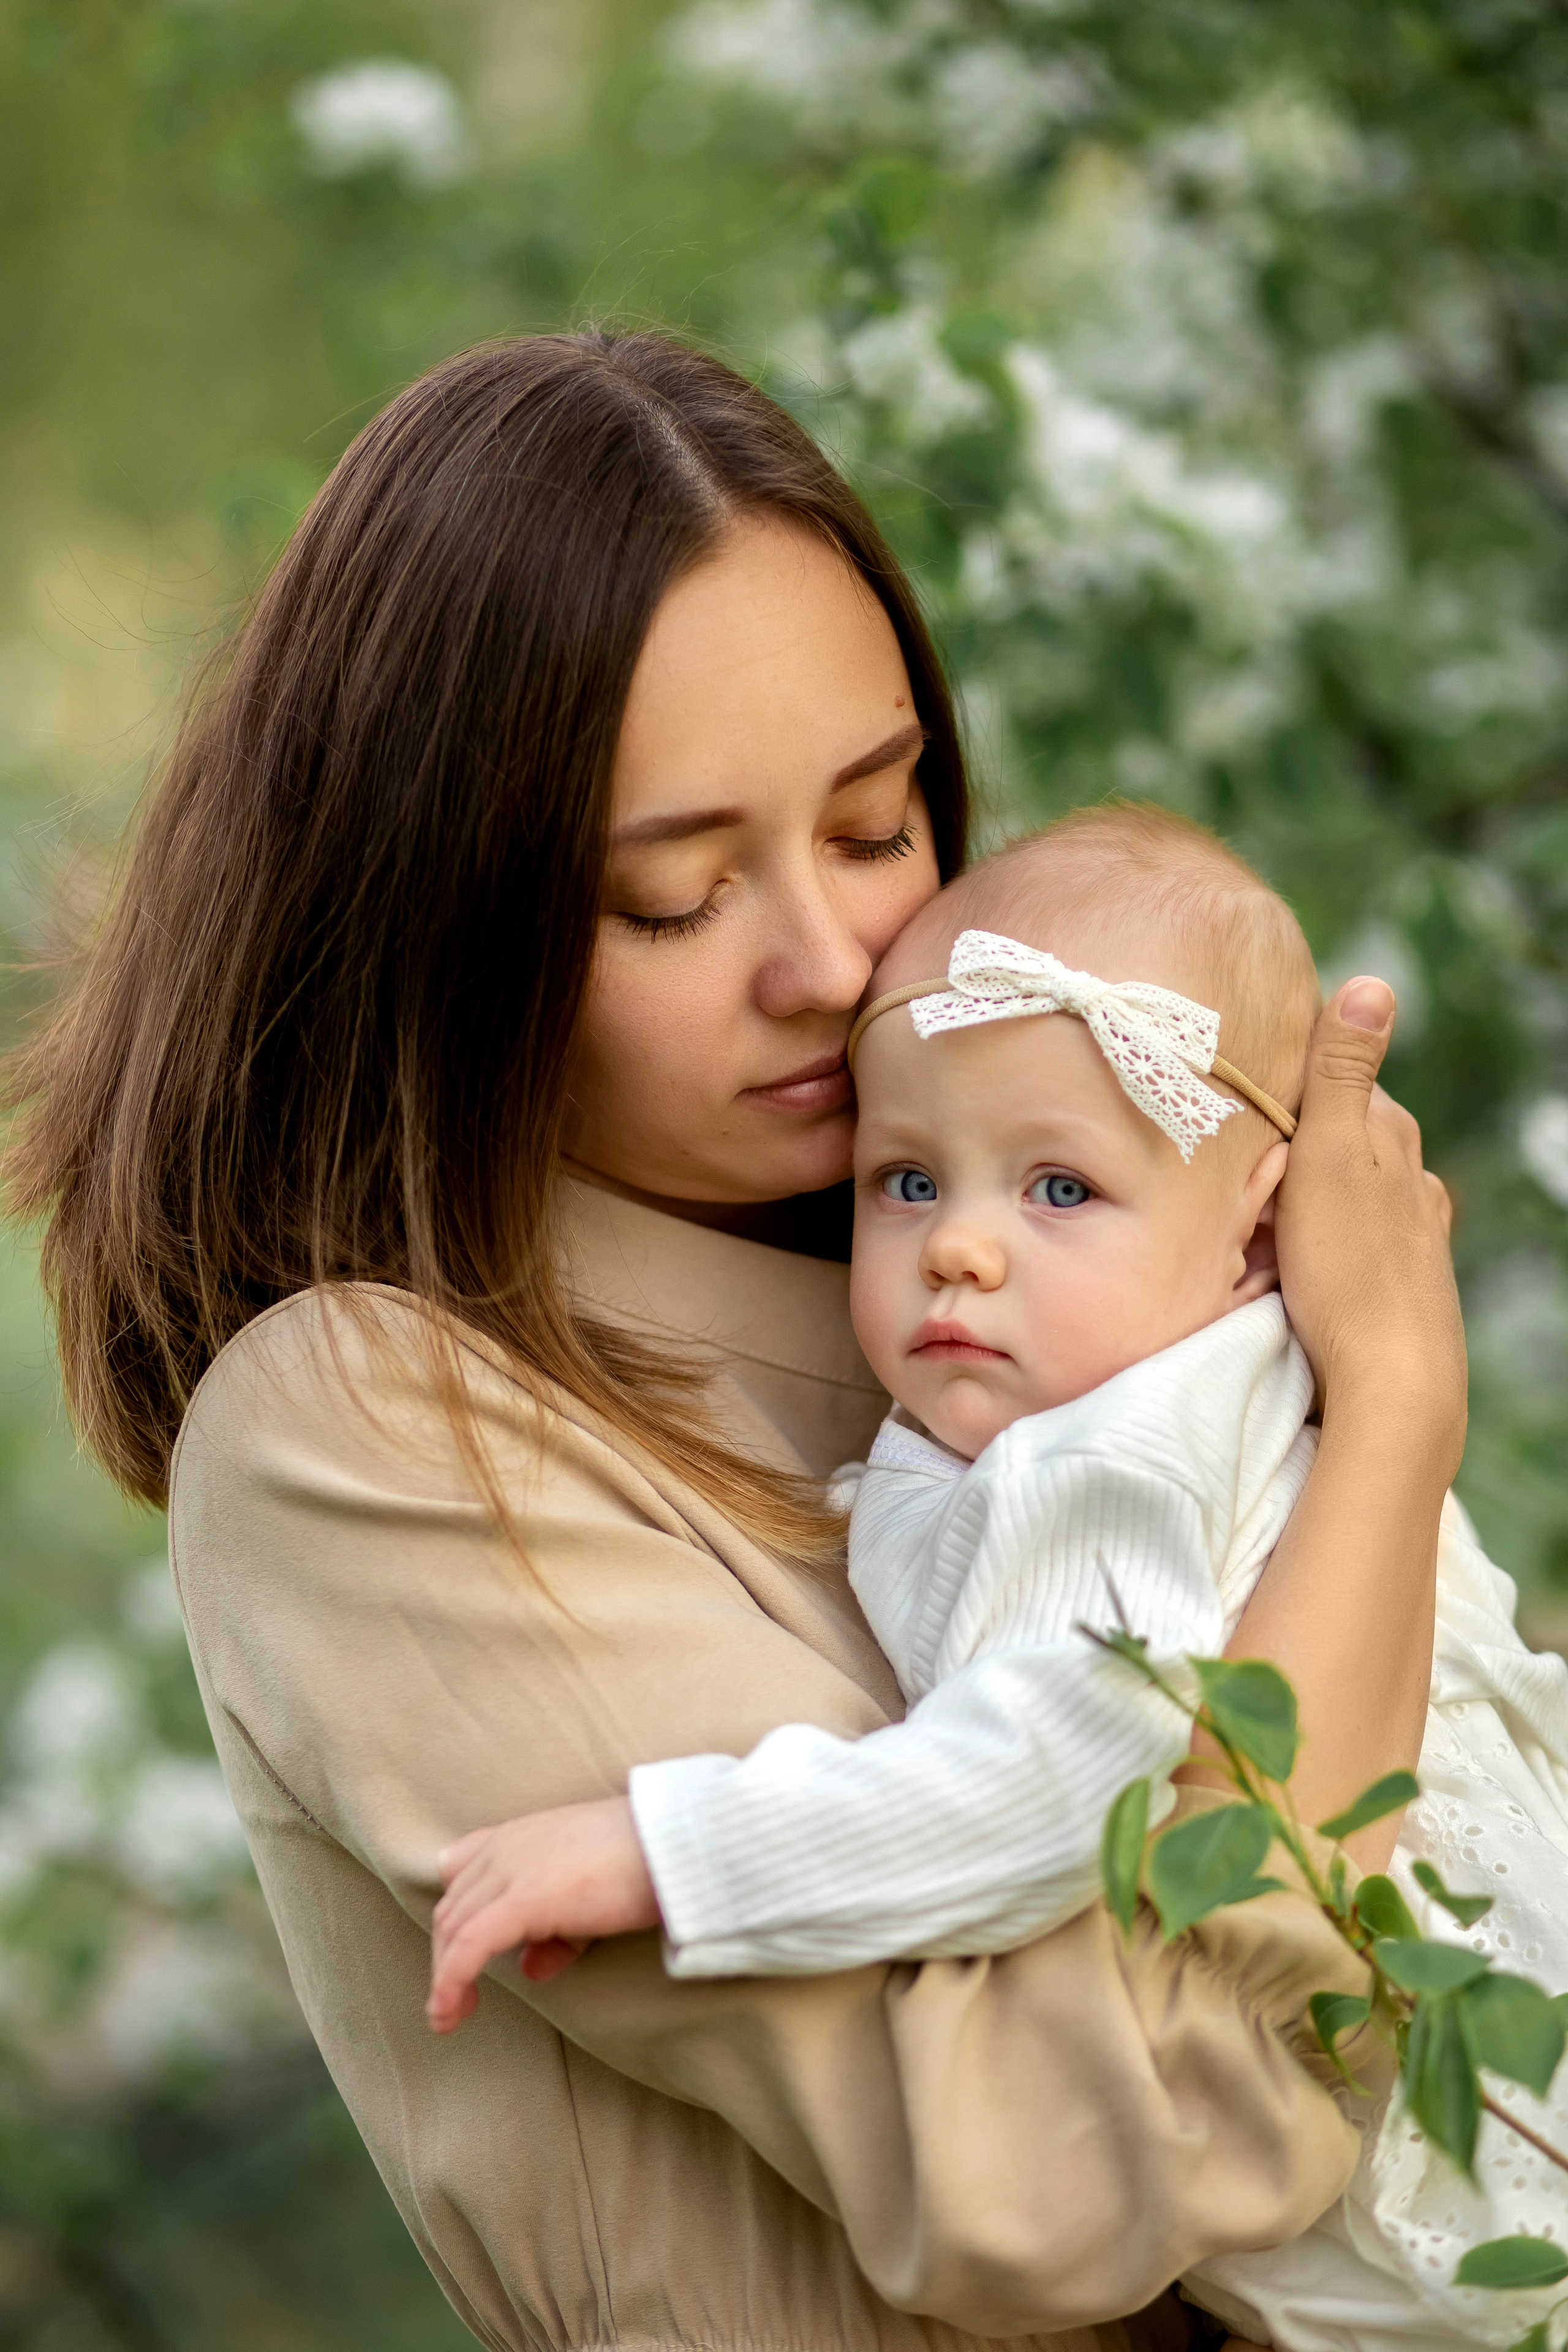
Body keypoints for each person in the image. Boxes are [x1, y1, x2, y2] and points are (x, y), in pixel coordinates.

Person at [4, 331, 1466, 2352]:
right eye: (678, 898)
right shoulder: (371, 1425)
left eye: (877, 830)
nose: (836, 964)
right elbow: (1058, 2167)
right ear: (442, 931)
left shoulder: (1011, 1306)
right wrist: (1389, 1413)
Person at [428, 808, 1568, 2352]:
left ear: (1253, 1239)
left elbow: (1050, 1777)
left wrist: (681, 1850)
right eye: (906, 1182)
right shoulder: (1126, 1397)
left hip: (1459, 2177)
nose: (959, 1249)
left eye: (1056, 1191)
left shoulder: (1113, 1454)